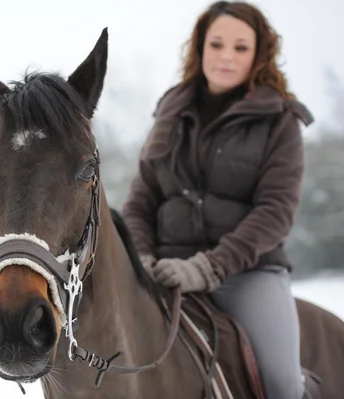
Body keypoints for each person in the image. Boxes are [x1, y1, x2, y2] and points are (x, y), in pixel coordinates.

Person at [121, 1, 315, 398]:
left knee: (281, 384)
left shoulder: (280, 120)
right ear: (200, 48)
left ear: (259, 54)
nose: (226, 56)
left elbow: (275, 213)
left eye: (241, 47)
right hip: (162, 273)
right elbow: (141, 201)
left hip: (248, 275)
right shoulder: (169, 113)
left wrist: (207, 268)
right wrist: (141, 259)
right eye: (217, 44)